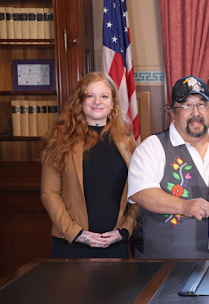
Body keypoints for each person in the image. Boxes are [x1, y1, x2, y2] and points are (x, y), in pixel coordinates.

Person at [127, 76, 209, 258]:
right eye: (186, 105)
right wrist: (183, 206)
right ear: (172, 112)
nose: (196, 112)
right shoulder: (152, 147)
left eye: (202, 104)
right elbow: (140, 192)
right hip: (162, 268)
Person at [41, 72, 138, 258]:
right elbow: (49, 193)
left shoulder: (127, 142)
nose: (97, 101)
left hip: (116, 245)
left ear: (112, 103)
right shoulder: (59, 140)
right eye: (90, 95)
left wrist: (125, 230)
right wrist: (76, 233)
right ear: (80, 100)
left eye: (104, 96)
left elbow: (138, 192)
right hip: (72, 245)